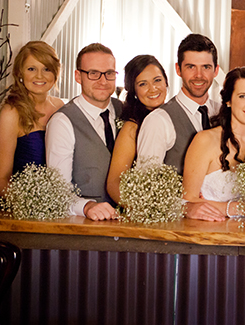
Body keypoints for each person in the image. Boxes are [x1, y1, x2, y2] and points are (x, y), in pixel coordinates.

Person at [46, 43, 121, 221]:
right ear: (78, 76)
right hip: (87, 226)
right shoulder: (62, 122)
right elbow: (58, 193)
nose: (103, 81)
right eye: (93, 73)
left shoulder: (126, 111)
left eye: (109, 73)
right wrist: (86, 206)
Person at [181, 67, 245, 220]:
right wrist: (234, 208)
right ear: (228, 100)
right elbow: (186, 202)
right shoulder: (204, 141)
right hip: (209, 235)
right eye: (242, 96)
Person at [136, 34, 220, 176]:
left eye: (206, 67)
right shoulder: (158, 121)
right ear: (178, 69)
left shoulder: (223, 112)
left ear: (216, 70)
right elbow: (146, 188)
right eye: (191, 67)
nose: (198, 75)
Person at [0, 41, 64, 197]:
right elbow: (1, 179)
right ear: (20, 73)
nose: (39, 75)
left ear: (55, 73)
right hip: (21, 207)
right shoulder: (10, 114)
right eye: (31, 69)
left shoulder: (60, 107)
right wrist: (30, 205)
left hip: (59, 204)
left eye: (47, 69)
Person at [106, 55, 168, 204]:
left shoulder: (175, 116)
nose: (153, 88)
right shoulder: (132, 128)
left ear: (166, 81)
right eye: (142, 84)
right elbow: (114, 183)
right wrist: (142, 210)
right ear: (133, 90)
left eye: (157, 80)